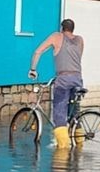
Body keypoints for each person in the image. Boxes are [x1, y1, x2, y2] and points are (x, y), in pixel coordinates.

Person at [28, 19, 84, 149]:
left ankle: (63, 149)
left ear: (61, 28)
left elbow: (38, 51)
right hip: (78, 79)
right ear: (73, 29)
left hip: (63, 79)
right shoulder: (80, 40)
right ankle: (79, 144)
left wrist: (33, 70)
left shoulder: (57, 36)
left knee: (59, 111)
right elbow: (76, 58)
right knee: (75, 112)